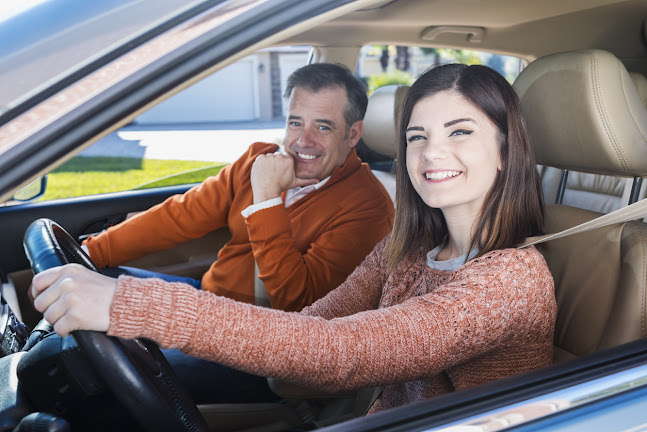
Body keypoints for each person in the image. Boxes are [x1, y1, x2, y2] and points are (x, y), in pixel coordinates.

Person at [31, 63, 556, 414]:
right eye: (418, 137)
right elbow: (309, 325)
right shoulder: (410, 249)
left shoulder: (508, 279)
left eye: (460, 132)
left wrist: (132, 306)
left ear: (508, 151)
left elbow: (339, 353)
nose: (431, 154)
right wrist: (104, 274)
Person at [81, 63, 395, 312]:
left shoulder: (368, 209)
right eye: (295, 123)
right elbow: (180, 216)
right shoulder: (259, 159)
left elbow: (300, 305)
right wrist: (91, 252)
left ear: (353, 135)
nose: (302, 141)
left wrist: (267, 199)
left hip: (254, 346)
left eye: (323, 126)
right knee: (89, 283)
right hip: (207, 302)